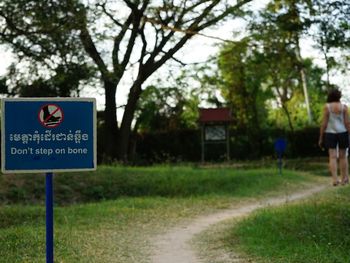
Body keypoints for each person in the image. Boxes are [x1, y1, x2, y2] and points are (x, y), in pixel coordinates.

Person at [319, 89, 350, 186]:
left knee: (332, 157)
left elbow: (324, 123)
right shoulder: (344, 107)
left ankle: (335, 179)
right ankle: (344, 178)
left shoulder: (327, 107)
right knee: (343, 156)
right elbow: (347, 123)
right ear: (339, 97)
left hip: (330, 133)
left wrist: (321, 136)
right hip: (343, 132)